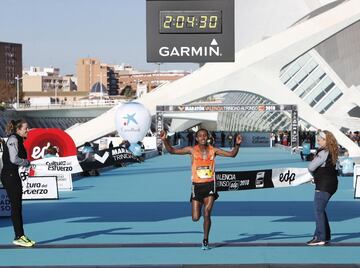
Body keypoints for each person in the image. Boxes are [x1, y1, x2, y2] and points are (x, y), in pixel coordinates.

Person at [160, 128, 242, 250]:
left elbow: (232, 155)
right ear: (197, 138)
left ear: (207, 137)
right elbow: (172, 151)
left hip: (210, 185)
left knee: (207, 213)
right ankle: (201, 216)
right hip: (197, 186)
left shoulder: (213, 150)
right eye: (200, 136)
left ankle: (205, 240)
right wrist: (165, 139)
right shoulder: (192, 150)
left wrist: (237, 144)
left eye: (205, 135)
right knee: (195, 218)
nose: (203, 137)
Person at [0, 119, 35, 247]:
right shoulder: (13, 139)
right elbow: (13, 159)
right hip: (9, 175)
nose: (28, 130)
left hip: (12, 174)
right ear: (18, 129)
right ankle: (19, 236)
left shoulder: (18, 139)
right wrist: (26, 162)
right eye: (26, 128)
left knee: (17, 206)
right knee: (16, 207)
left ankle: (20, 235)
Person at [307, 130, 338, 246]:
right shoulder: (332, 151)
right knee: (321, 209)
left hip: (324, 184)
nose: (318, 141)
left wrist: (314, 174)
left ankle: (320, 237)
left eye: (319, 139)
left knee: (318, 210)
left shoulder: (323, 152)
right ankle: (325, 235)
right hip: (331, 183)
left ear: (325, 140)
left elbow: (311, 166)